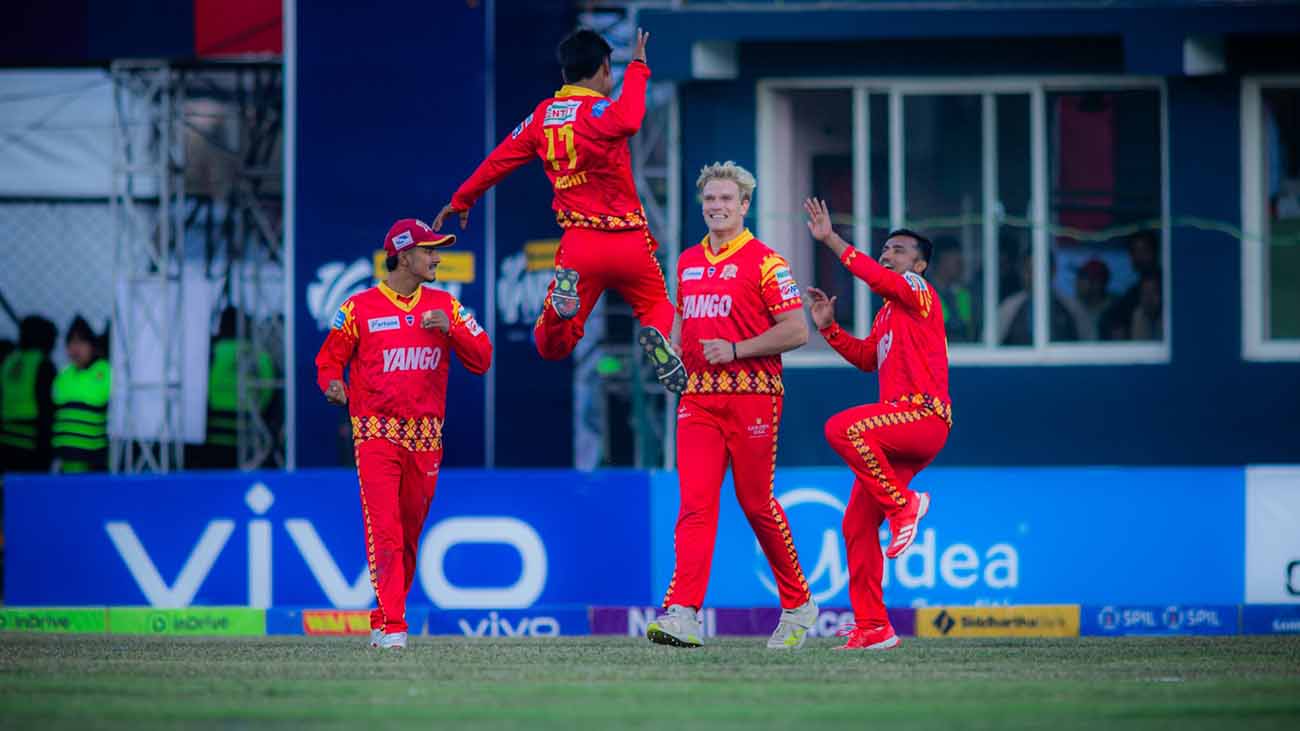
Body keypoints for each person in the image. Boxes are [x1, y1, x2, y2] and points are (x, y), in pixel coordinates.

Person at [432, 28, 684, 392]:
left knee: (550, 346)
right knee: (657, 305)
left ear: (565, 72)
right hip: (630, 242)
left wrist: (462, 199)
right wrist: (638, 68)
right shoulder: (602, 110)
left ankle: (559, 311)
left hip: (581, 247)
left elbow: (499, 160)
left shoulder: (543, 116)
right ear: (605, 69)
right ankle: (658, 338)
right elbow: (630, 119)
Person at [648, 162, 817, 650]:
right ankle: (682, 613)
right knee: (694, 505)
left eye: (726, 199)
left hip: (753, 396)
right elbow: (682, 324)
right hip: (698, 398)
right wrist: (672, 352)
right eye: (710, 199)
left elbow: (797, 331)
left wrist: (738, 349)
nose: (716, 207)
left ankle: (798, 604)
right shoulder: (686, 261)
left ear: (745, 205)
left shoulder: (767, 262)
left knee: (756, 503)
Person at [315, 218, 493, 650]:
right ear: (404, 256)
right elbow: (328, 360)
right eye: (429, 250)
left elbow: (483, 358)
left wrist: (451, 329)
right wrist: (333, 384)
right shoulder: (358, 308)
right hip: (375, 434)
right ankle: (395, 626)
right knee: (386, 532)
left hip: (426, 438)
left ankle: (382, 617)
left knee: (409, 536)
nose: (437, 258)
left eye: (437, 250)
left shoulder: (446, 306)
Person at [804, 198, 952, 651]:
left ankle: (904, 505)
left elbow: (877, 277)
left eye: (899, 250)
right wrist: (829, 329)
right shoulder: (888, 312)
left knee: (842, 428)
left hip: (922, 415)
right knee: (855, 525)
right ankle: (874, 627)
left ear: (920, 266)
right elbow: (869, 359)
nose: (888, 254)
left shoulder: (917, 290)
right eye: (885, 248)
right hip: (897, 431)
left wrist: (831, 240)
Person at [51, 316, 111, 473]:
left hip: (93, 457)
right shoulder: (63, 375)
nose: (75, 348)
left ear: (92, 345)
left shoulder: (105, 371)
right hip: (64, 456)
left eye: (81, 342)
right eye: (71, 342)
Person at [0, 316, 57, 473]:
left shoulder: (8, 362)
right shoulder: (43, 364)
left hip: (5, 438)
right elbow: (46, 406)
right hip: (31, 439)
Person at [930, 237, 975, 342]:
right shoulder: (922, 293)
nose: (962, 267)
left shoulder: (963, 293)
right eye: (957, 262)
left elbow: (970, 328)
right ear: (942, 260)